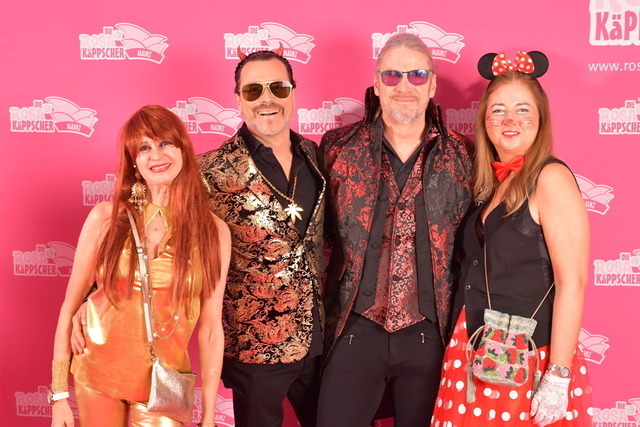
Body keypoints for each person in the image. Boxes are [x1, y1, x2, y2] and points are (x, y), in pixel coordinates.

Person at [318, 33, 474, 427]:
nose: (404, 86)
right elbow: (317, 236)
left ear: (432, 84)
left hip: (430, 334)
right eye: (392, 75)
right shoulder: (337, 148)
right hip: (354, 327)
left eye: (417, 75)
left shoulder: (465, 155)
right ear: (376, 83)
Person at [431, 51, 592, 426]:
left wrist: (558, 375)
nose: (510, 120)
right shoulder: (493, 183)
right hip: (475, 348)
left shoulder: (550, 178)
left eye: (522, 110)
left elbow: (572, 282)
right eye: (498, 110)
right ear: (484, 120)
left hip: (526, 358)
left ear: (540, 118)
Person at [50, 105, 231, 427]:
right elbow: (69, 306)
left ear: (183, 149)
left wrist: (208, 418)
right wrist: (59, 395)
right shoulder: (106, 218)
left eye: (165, 143)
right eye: (144, 147)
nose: (156, 155)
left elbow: (211, 329)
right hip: (97, 373)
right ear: (134, 161)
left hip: (164, 384)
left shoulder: (213, 232)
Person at [198, 47, 326, 427]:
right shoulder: (208, 171)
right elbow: (164, 241)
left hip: (320, 342)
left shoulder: (317, 156)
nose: (266, 99)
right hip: (254, 350)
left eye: (278, 87)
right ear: (238, 99)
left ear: (293, 93)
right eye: (253, 90)